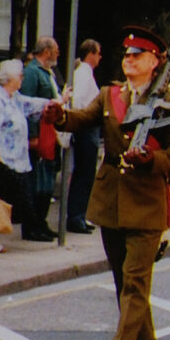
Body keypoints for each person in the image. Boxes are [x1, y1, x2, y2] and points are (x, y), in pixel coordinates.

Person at [44, 26, 170, 340]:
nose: (129, 60)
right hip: (112, 199)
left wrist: (150, 158)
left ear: (155, 62)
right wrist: (59, 116)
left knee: (136, 283)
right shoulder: (110, 94)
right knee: (124, 282)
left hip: (147, 201)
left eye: (138, 55)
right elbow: (82, 120)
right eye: (126, 54)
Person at [0, 60, 55, 241]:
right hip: (3, 160)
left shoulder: (13, 97)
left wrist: (54, 103)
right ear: (9, 78)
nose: (22, 78)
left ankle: (31, 228)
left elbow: (30, 104)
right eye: (19, 75)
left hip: (18, 160)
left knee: (21, 199)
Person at [21, 36, 62, 237]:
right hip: (39, 132)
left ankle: (41, 221)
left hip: (50, 132)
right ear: (46, 51)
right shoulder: (31, 73)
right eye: (55, 50)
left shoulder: (47, 72)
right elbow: (26, 104)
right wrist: (32, 135)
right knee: (37, 182)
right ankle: (32, 226)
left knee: (47, 180)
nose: (58, 53)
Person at [66, 38, 102, 234]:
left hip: (89, 129)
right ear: (91, 54)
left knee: (87, 175)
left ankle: (80, 214)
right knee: (83, 174)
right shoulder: (83, 74)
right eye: (98, 53)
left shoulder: (87, 73)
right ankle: (75, 217)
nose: (100, 57)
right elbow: (78, 100)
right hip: (86, 129)